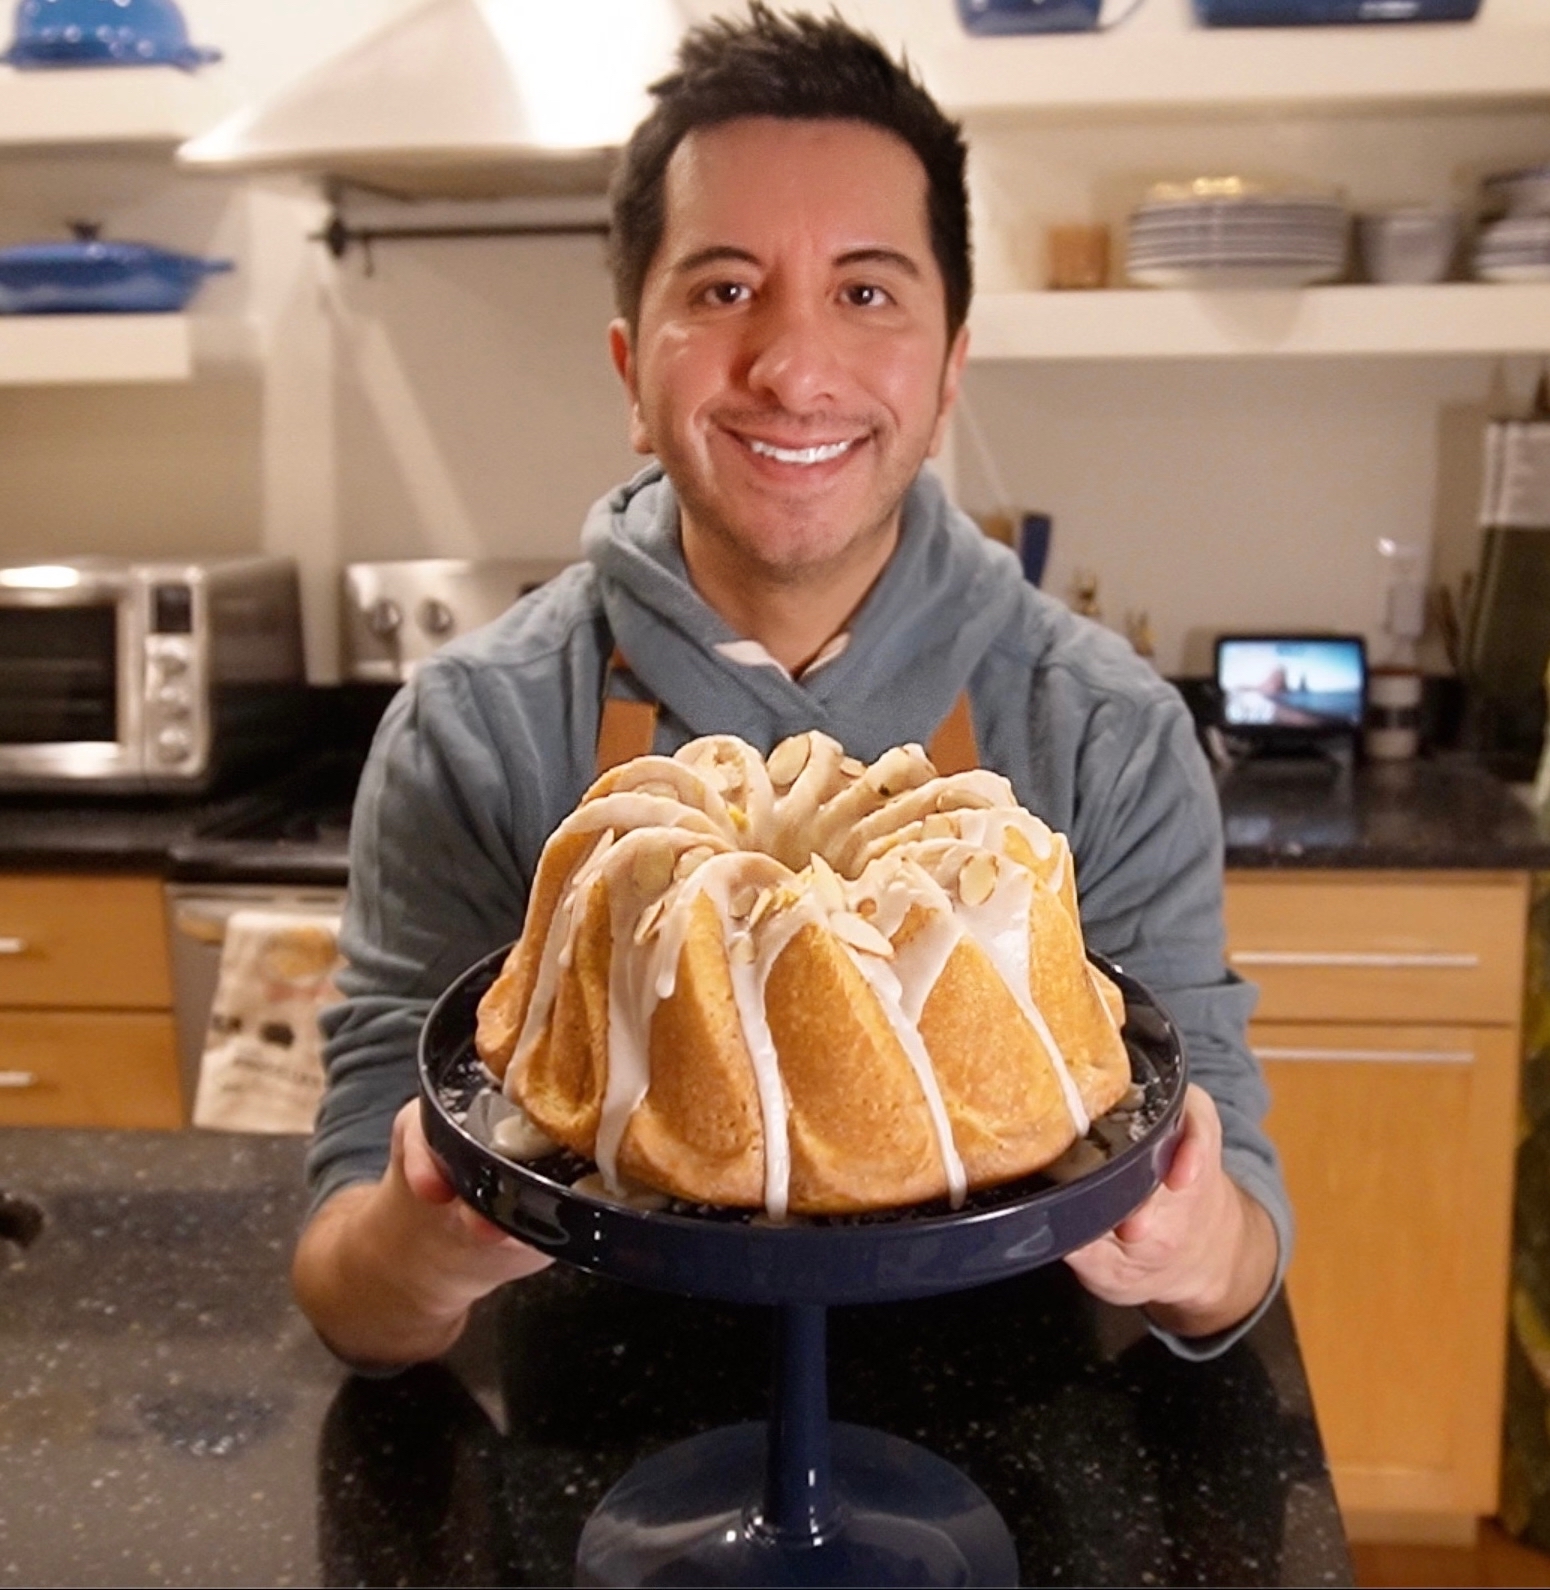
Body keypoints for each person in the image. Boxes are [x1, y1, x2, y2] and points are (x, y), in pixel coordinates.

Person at [292, 4, 1286, 1371]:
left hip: (1014, 1450)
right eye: (719, 289)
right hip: (584, 1445)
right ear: (633, 373)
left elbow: (1234, 1258)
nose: (793, 367)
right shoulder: (477, 727)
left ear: (948, 374)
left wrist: (1188, 1240)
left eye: (865, 292)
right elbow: (347, 1281)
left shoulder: (1099, 730)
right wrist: (417, 1239)